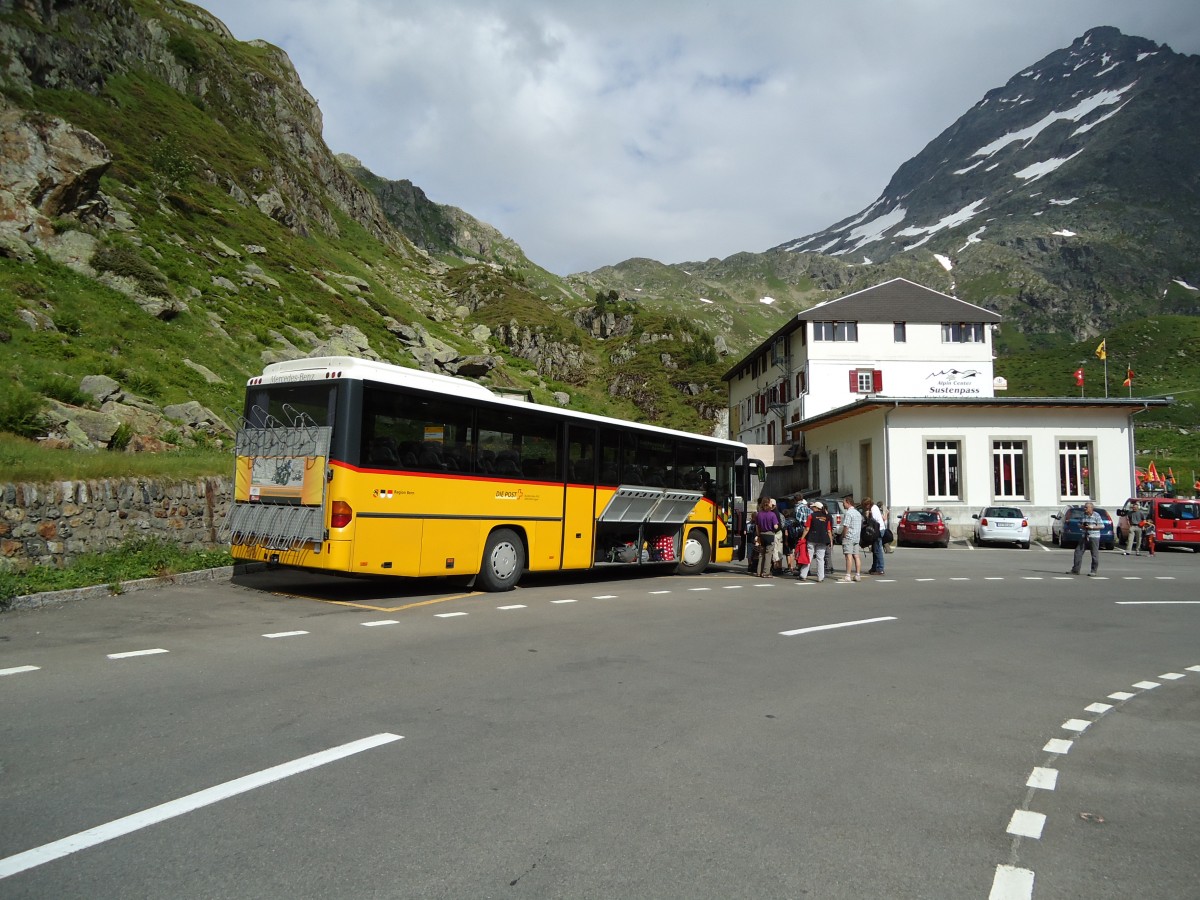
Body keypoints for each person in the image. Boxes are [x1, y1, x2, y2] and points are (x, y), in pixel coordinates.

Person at [800, 500, 832, 582]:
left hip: (812, 538)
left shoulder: (811, 516)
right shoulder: (827, 517)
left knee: (809, 557)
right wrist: (831, 541)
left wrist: (802, 537)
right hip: (823, 539)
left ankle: (803, 575)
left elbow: (807, 528)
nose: (812, 508)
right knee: (820, 558)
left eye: (813, 507)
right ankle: (820, 577)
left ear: (816, 508)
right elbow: (829, 530)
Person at [1069, 500, 1103, 575]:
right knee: (1078, 552)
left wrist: (1092, 527)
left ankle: (1093, 571)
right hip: (1084, 536)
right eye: (1084, 507)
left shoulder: (1096, 515)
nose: (1085, 509)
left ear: (1091, 508)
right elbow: (1079, 524)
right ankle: (1076, 570)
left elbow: (1102, 526)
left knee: (1094, 554)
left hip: (1094, 536)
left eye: (1086, 507)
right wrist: (1083, 526)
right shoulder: (1083, 515)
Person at [752, 496, 781, 577]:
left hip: (762, 534)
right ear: (768, 504)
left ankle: (759, 571)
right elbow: (775, 526)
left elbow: (757, 526)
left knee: (761, 554)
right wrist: (776, 527)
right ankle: (766, 572)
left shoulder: (759, 514)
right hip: (770, 534)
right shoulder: (772, 514)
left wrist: (758, 535)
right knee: (768, 554)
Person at [839, 494, 864, 582]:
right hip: (856, 537)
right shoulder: (858, 513)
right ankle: (857, 575)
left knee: (848, 556)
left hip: (849, 537)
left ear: (848, 502)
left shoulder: (848, 513)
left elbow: (846, 526)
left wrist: (843, 536)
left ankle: (848, 575)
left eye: (844, 503)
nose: (843, 505)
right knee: (856, 556)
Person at [864, 496, 886, 574]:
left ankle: (880, 568)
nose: (865, 508)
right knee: (875, 549)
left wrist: (868, 516)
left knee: (877, 550)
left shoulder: (873, 509)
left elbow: (873, 522)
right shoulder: (875, 507)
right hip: (879, 529)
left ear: (868, 504)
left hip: (878, 531)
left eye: (865, 506)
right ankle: (874, 567)